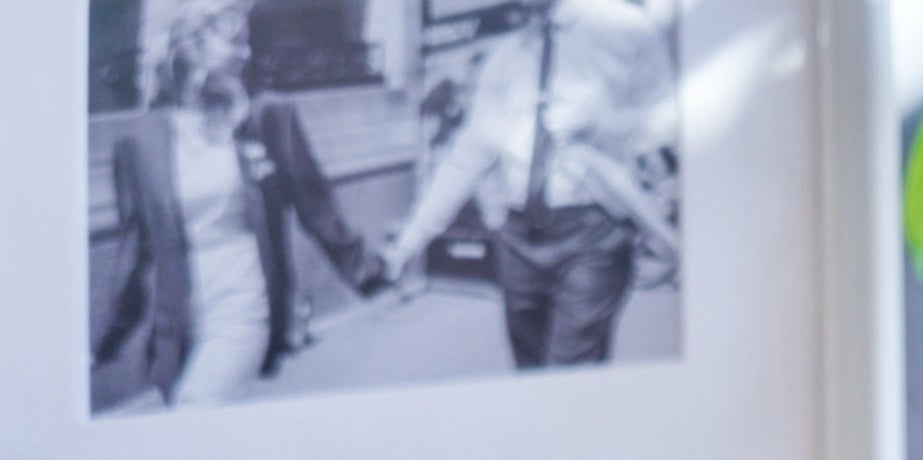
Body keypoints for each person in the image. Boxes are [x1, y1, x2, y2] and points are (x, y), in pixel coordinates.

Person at [93, 3, 384, 408]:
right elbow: (135, 248)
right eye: (235, 41)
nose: (246, 53)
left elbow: (316, 203)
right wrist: (109, 338)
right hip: (178, 321)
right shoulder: (141, 142)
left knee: (197, 406)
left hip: (245, 302)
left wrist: (369, 270)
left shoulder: (265, 116)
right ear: (191, 46)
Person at [382, 0, 678, 370]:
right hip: (517, 241)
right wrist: (411, 240)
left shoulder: (626, 28)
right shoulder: (505, 57)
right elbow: (467, 158)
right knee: (531, 372)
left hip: (593, 234)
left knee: (568, 373)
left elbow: (669, 118)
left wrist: (605, 124)